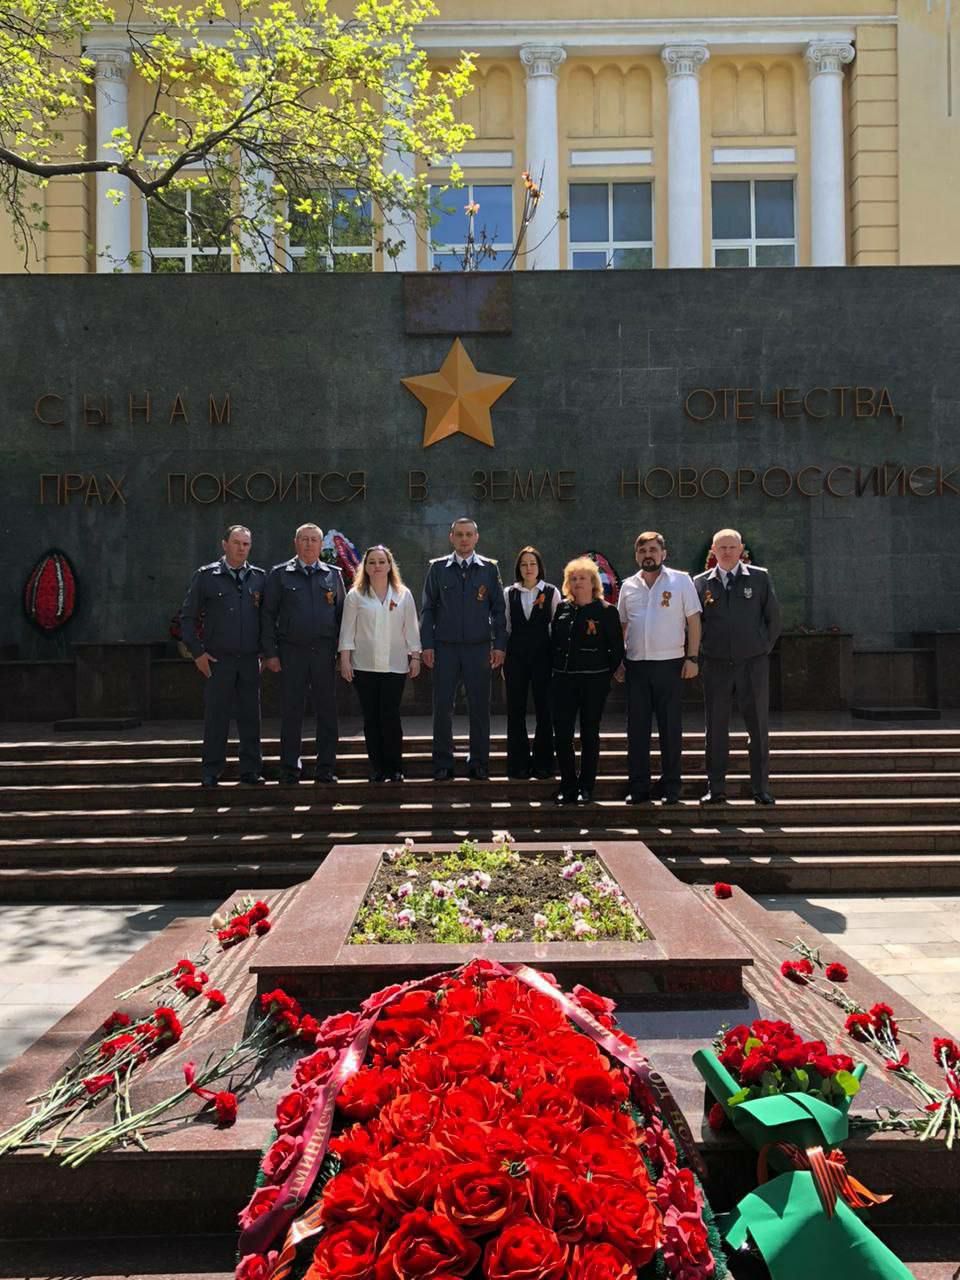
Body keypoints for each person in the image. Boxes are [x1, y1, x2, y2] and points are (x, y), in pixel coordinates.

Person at [694, 527, 782, 805]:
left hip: (752, 665)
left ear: (741, 549)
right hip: (717, 665)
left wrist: (761, 649)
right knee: (716, 729)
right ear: (713, 551)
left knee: (758, 728)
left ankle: (761, 788)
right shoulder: (700, 583)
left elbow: (774, 620)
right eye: (722, 548)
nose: (727, 552)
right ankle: (716, 788)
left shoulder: (759, 577)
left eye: (732, 547)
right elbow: (696, 624)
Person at [615, 532, 702, 805]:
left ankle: (671, 787)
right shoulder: (628, 585)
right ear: (636, 555)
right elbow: (622, 626)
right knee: (637, 730)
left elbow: (694, 621)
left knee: (670, 728)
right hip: (637, 666)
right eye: (642, 551)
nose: (648, 555)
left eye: (653, 549)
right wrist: (618, 660)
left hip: (671, 665)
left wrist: (693, 658)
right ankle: (639, 787)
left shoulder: (681, 580)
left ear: (664, 553)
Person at [179, 524, 266, 788]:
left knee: (251, 717)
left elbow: (268, 618)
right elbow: (187, 617)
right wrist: (198, 653)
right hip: (219, 660)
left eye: (246, 544)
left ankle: (251, 770)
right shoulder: (206, 576)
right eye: (237, 543)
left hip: (250, 659)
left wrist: (265, 652)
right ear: (224, 544)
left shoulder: (259, 577)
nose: (242, 548)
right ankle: (211, 770)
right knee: (217, 717)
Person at [420, 517, 506, 781]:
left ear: (477, 538)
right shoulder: (437, 569)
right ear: (451, 537)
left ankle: (479, 762)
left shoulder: (489, 570)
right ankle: (443, 763)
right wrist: (427, 645)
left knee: (480, 707)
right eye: (459, 534)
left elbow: (499, 611)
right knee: (443, 707)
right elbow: (428, 609)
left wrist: (499, 646)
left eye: (469, 534)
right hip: (445, 649)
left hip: (478, 649)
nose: (464, 539)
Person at [261, 522, 345, 785]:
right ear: (296, 543)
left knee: (327, 712)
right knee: (291, 712)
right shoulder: (279, 575)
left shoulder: (333, 575)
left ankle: (326, 767)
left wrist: (343, 655)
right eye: (304, 539)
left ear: (322, 545)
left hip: (324, 652)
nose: (309, 544)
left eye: (314, 540)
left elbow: (343, 617)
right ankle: (289, 768)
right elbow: (267, 616)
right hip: (291, 653)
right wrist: (271, 653)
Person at [338, 545, 421, 782]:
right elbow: (347, 630)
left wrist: (415, 656)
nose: (377, 566)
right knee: (371, 718)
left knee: (391, 716)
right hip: (364, 667)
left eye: (381, 562)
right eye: (372, 562)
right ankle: (377, 768)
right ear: (365, 566)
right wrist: (345, 659)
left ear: (389, 565)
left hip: (395, 666)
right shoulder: (356, 595)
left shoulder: (403, 593)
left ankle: (395, 767)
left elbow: (412, 628)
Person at [551, 556, 624, 805]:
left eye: (582, 578)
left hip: (594, 682)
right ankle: (568, 785)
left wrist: (606, 675)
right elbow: (555, 644)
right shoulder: (562, 609)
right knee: (562, 735)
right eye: (573, 578)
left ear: (593, 582)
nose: (578, 582)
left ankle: (586, 787)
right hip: (563, 681)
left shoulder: (606, 611)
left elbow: (616, 649)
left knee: (589, 734)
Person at [503, 546, 561, 780]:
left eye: (533, 564)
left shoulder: (551, 591)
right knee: (515, 711)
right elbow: (505, 628)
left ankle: (544, 763)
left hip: (543, 658)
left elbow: (557, 628)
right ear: (519, 567)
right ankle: (518, 764)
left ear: (539, 567)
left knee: (544, 710)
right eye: (524, 564)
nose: (528, 568)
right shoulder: (509, 593)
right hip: (516, 658)